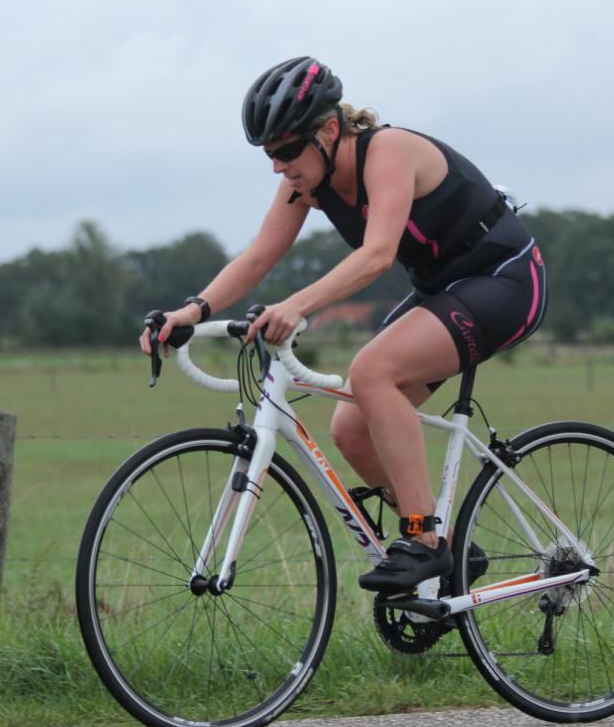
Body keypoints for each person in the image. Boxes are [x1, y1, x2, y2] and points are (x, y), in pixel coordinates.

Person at [141, 56, 546, 594]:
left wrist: (297, 306)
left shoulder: (389, 152)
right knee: (351, 428)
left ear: (329, 131)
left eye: (287, 151)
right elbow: (260, 256)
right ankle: (450, 552)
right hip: (444, 290)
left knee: (372, 370)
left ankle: (424, 539)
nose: (278, 166)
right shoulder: (308, 181)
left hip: (507, 280)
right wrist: (191, 312)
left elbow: (378, 255)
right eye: (269, 155)